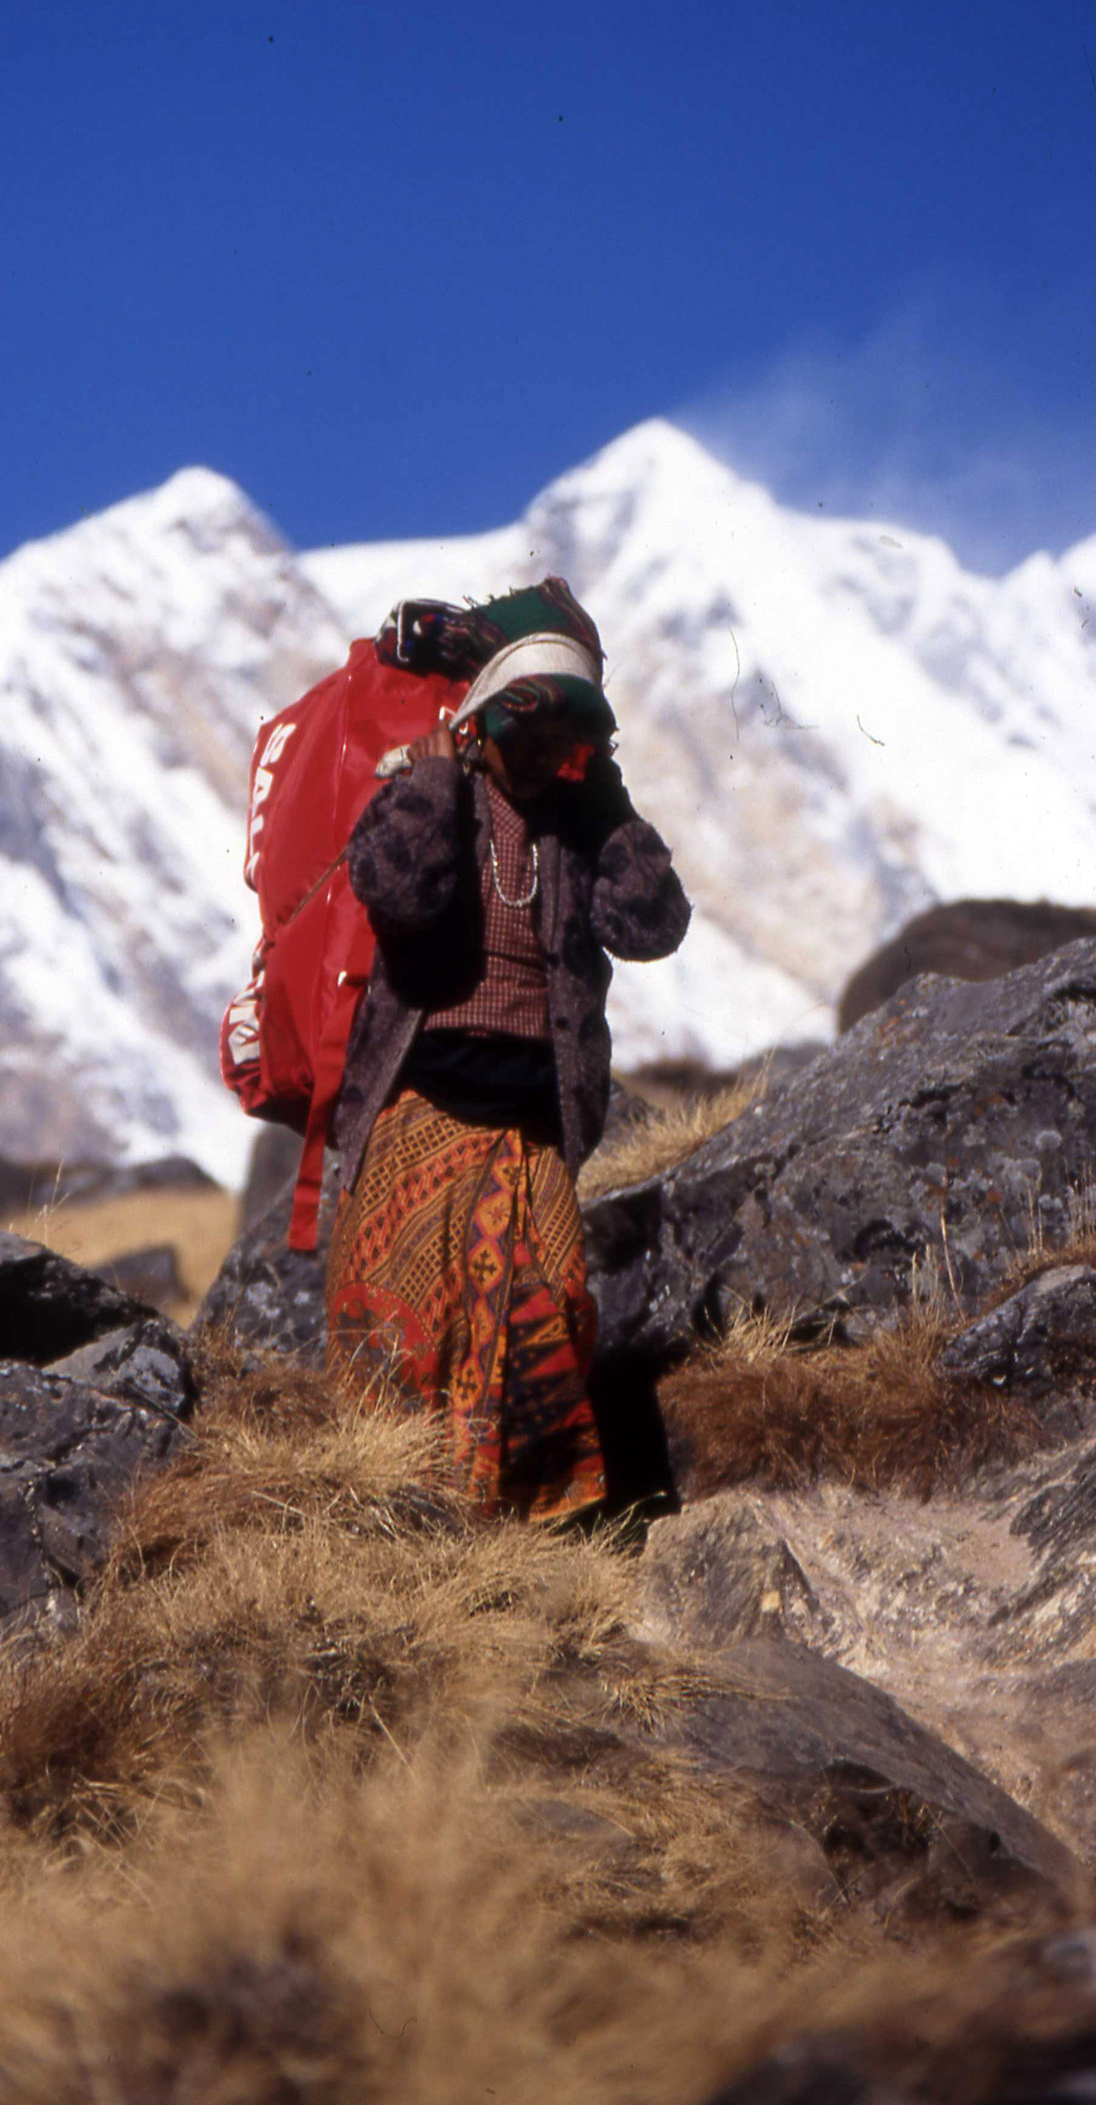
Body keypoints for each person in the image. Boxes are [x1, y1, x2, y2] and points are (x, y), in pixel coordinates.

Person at [326, 578, 691, 1522]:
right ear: (481, 722)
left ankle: (523, 1532)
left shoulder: (579, 828)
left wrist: (607, 796)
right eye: (522, 735)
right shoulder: (423, 791)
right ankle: (395, 1521)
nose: (537, 760)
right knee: (404, 1330)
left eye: (559, 745)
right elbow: (396, 890)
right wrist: (440, 775)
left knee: (550, 1324)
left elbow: (652, 924)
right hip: (423, 1114)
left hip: (531, 1129)